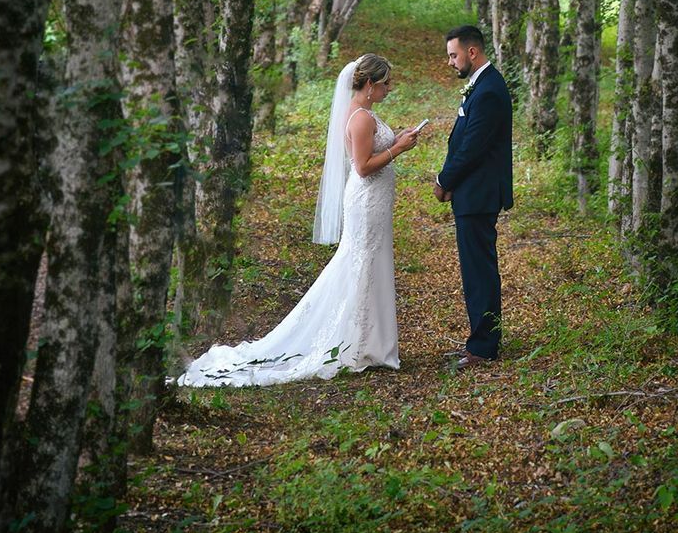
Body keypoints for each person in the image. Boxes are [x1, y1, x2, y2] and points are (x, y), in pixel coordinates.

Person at [174, 53, 422, 387]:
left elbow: (368, 154)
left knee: (369, 264)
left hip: (374, 202)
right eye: (385, 83)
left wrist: (394, 138)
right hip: (366, 201)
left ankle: (370, 342)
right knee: (362, 264)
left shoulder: (364, 114)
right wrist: (399, 149)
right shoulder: (361, 117)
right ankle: (360, 343)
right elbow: (362, 167)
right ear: (369, 84)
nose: (389, 88)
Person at [432, 25, 513, 367]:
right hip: (472, 192)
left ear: (472, 52)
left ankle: (483, 347)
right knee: (476, 270)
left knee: (479, 271)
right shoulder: (480, 86)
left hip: (479, 194)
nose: (450, 62)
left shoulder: (490, 90)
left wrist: (443, 180)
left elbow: (473, 147)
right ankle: (480, 340)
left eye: (453, 55)